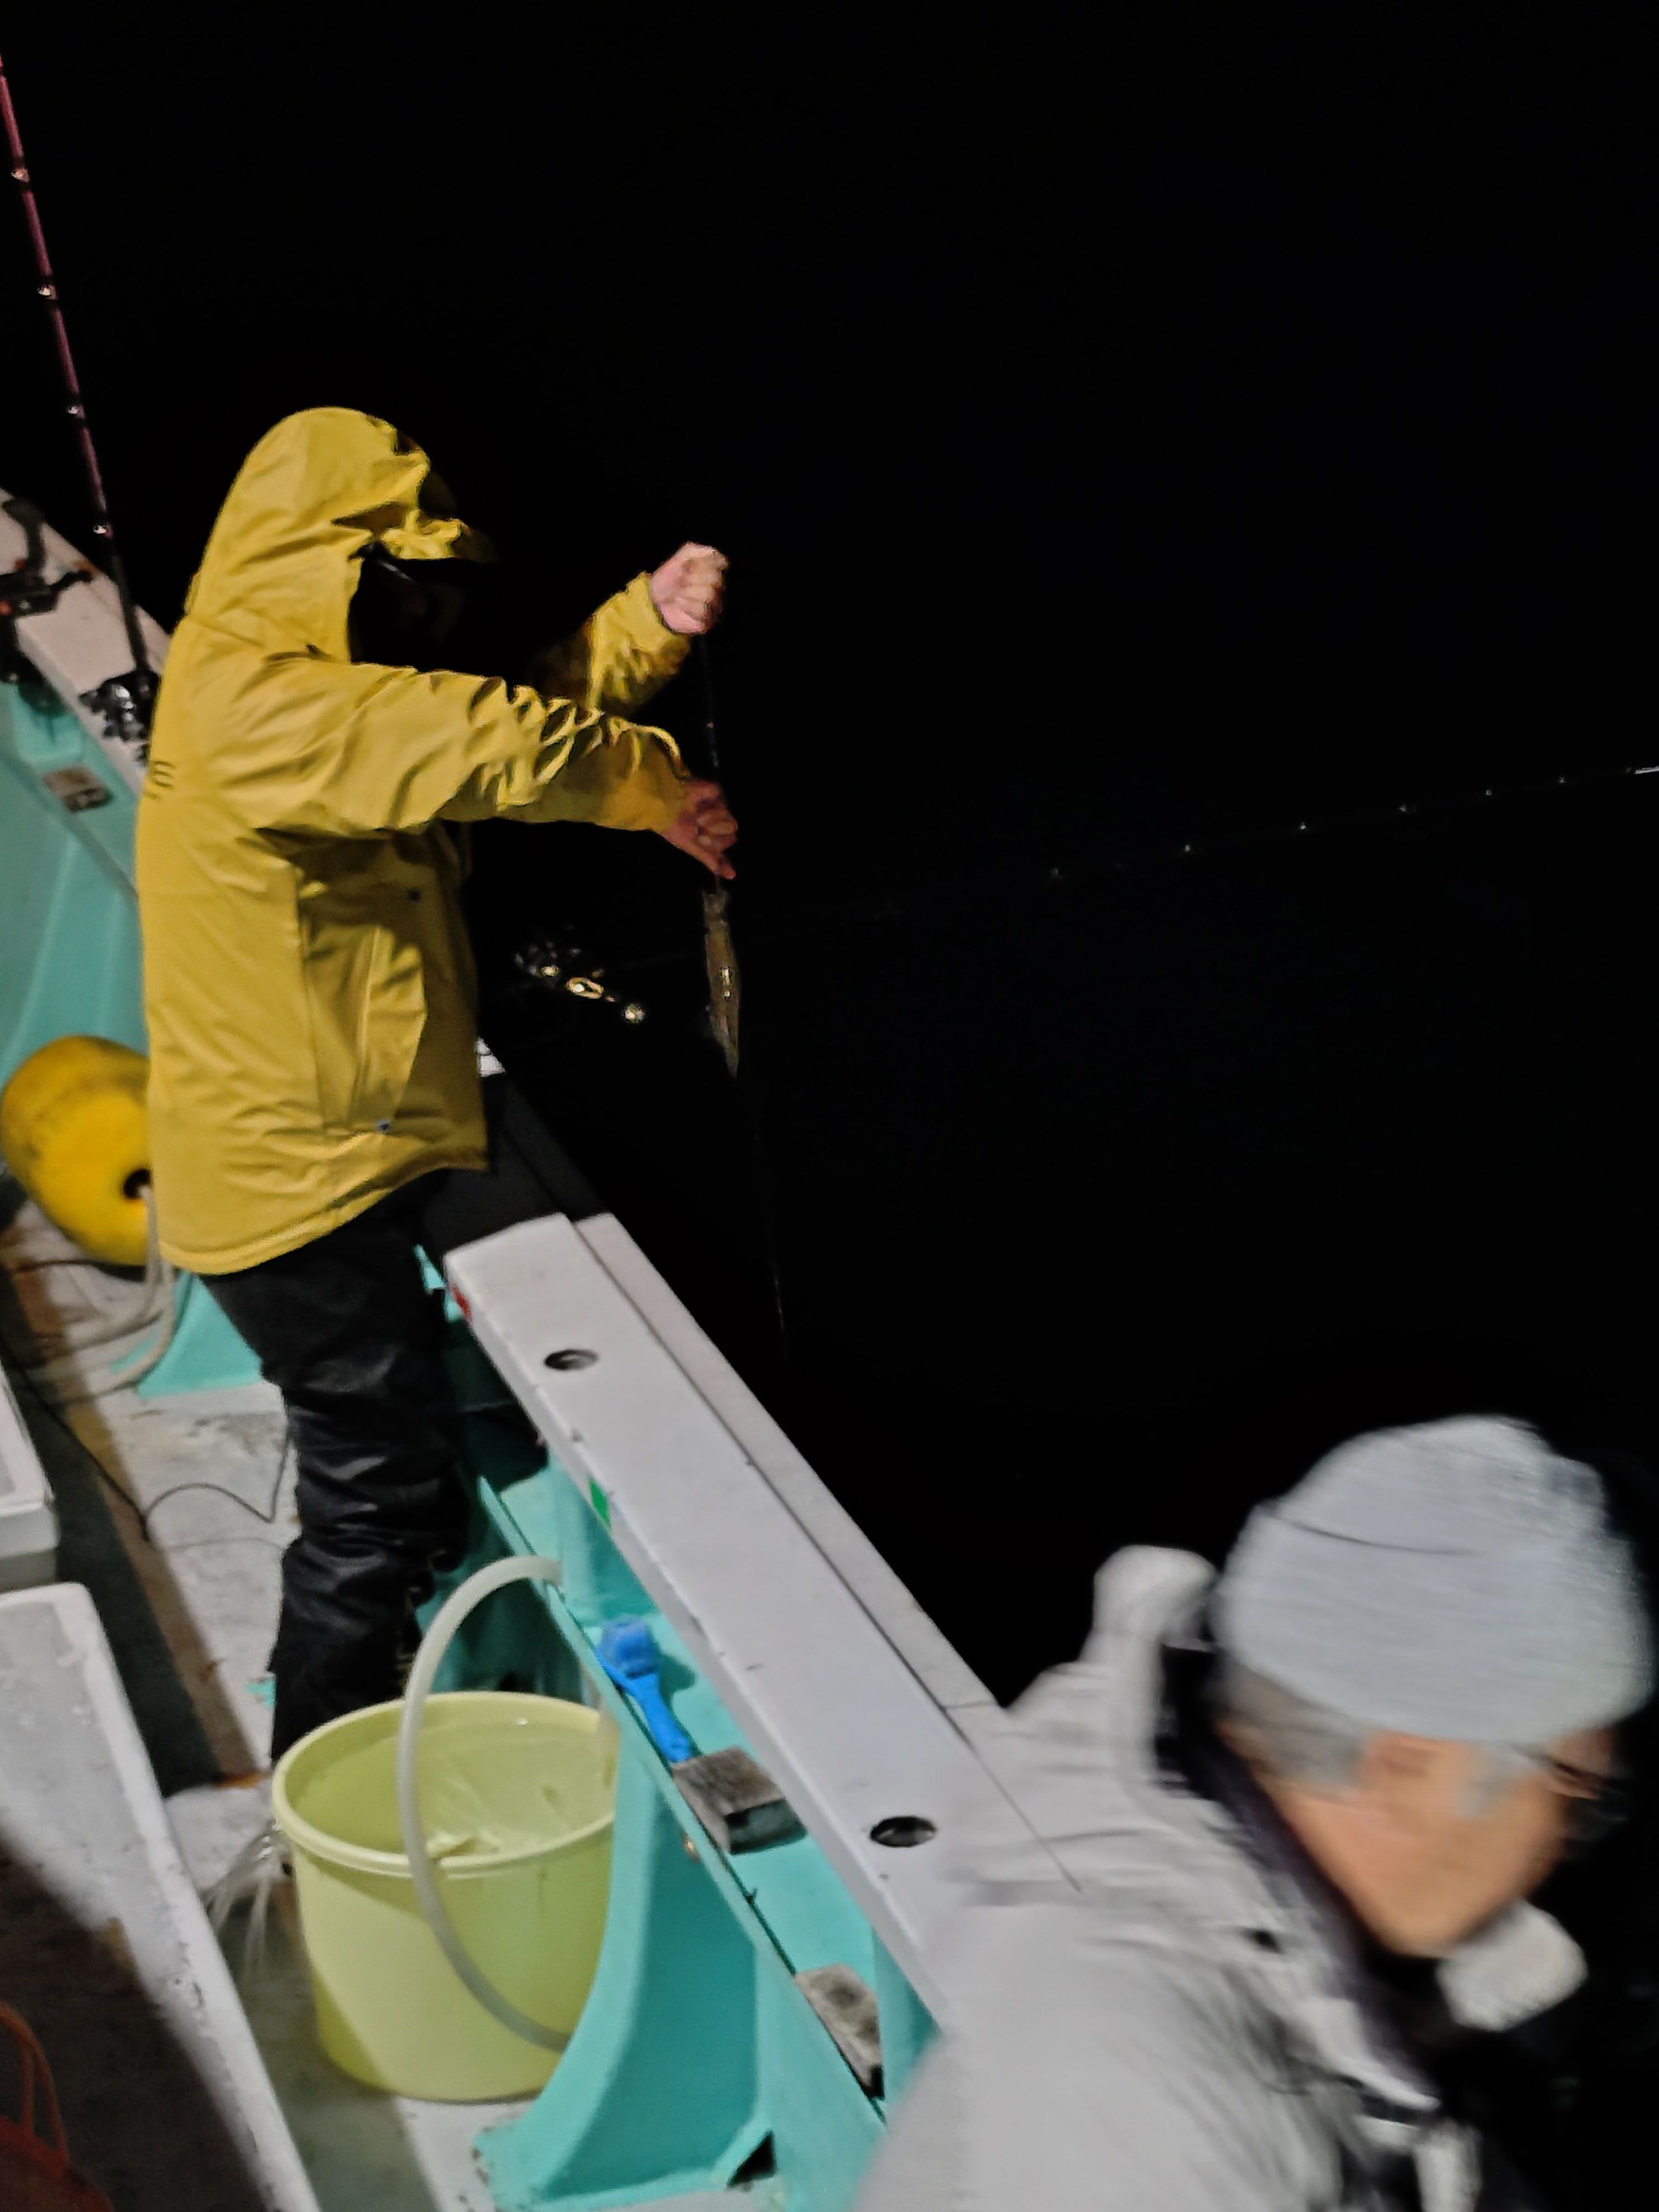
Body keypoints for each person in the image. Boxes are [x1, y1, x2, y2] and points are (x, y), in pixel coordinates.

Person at [135, 406, 736, 1760]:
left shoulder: (301, 687)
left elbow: (480, 717)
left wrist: (639, 628)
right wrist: (661, 791)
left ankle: (360, 1718)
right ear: (336, 568)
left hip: (339, 1139)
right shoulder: (268, 706)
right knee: (377, 1502)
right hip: (294, 1191)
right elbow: (492, 745)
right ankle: (319, 1787)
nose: (425, 619)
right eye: (407, 588)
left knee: (385, 1461)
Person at [858, 1417, 1653, 2210]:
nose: (1569, 1846)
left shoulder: (1283, 1964)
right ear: (1409, 1765)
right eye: (1575, 1792)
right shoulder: (1145, 2097)